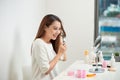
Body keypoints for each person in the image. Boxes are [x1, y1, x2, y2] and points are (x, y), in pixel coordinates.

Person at [31, 14, 67, 80]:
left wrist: (60, 41)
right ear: (45, 27)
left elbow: (64, 58)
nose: (58, 32)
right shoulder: (39, 43)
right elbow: (45, 70)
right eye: (55, 28)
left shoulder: (50, 43)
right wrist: (59, 54)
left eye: (59, 29)